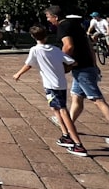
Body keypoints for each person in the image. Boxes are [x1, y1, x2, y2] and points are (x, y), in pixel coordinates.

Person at [45, 6, 109, 148]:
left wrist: (61, 63)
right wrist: (94, 64)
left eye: (48, 17)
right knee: (77, 97)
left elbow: (68, 46)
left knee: (98, 100)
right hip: (86, 66)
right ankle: (68, 126)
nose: (48, 20)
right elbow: (89, 45)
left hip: (81, 68)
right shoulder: (76, 25)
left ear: (55, 17)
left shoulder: (63, 26)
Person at [13, 25, 88, 157]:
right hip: (61, 84)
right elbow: (72, 62)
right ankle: (66, 135)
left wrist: (18, 74)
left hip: (51, 85)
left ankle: (78, 144)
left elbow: (29, 64)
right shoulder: (55, 49)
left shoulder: (35, 50)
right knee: (55, 108)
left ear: (32, 36)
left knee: (63, 111)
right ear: (46, 36)